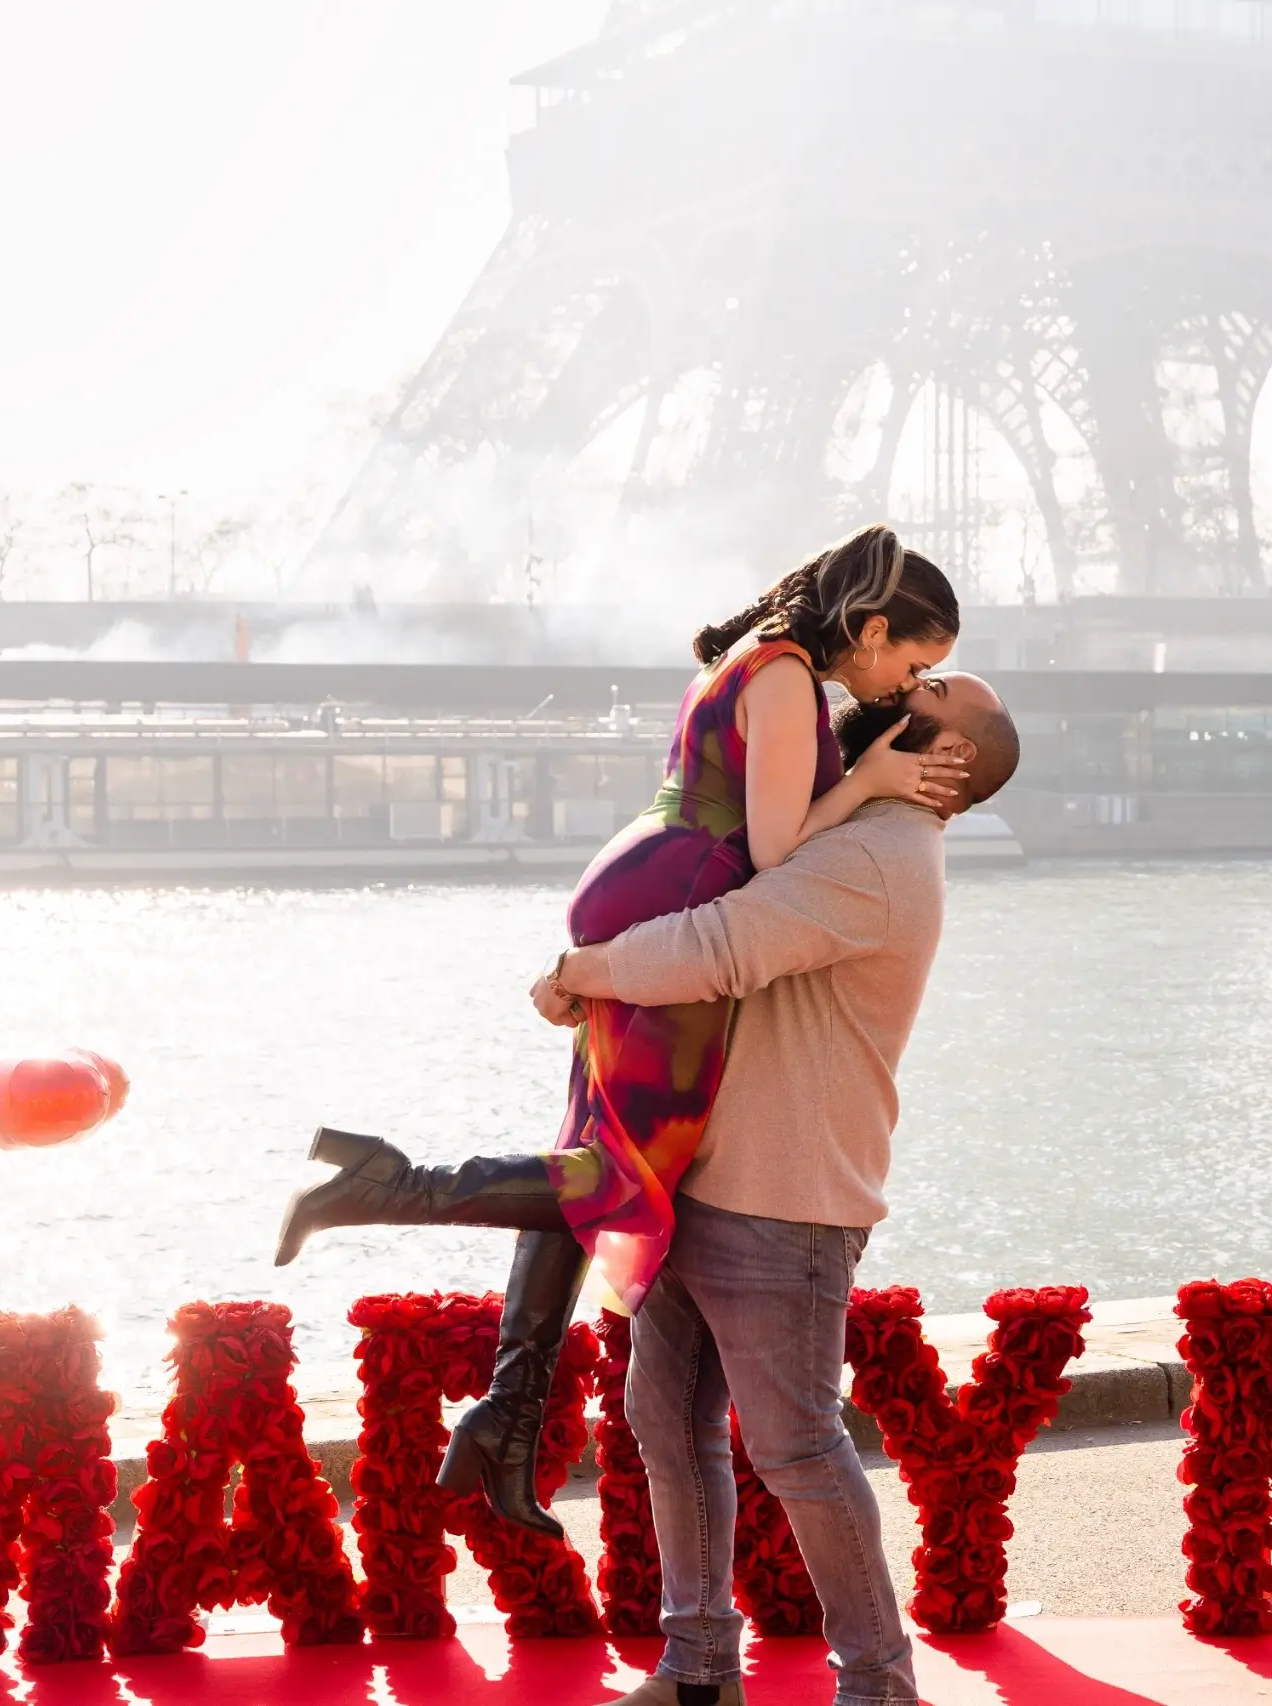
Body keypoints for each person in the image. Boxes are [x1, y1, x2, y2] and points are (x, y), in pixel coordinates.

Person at [273, 525, 963, 1538]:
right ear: (866, 627)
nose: (909, 686)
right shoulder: (784, 680)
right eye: (915, 660)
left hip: (642, 885)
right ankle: (390, 1184)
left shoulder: (756, 660)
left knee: (588, 1164)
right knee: (615, 1178)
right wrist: (865, 787)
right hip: (671, 901)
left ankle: (507, 1421)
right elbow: (775, 850)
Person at [543, 676, 1021, 1706]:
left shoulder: (876, 859)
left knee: (797, 1445)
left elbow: (722, 945)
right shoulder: (841, 828)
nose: (896, 683)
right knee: (666, 1420)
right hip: (705, 1178)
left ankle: (879, 1685)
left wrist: (583, 971)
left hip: (784, 1198)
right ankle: (700, 1665)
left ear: (943, 756)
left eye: (926, 690)